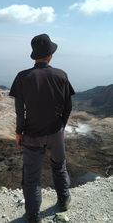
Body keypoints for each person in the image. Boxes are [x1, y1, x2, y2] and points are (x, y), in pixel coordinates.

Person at [9, 34, 75, 223]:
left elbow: (20, 111)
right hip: (56, 132)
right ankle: (63, 201)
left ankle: (33, 216)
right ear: (50, 55)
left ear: (35, 55)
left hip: (32, 135)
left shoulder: (23, 77)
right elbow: (68, 106)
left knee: (31, 178)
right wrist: (61, 125)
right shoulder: (61, 75)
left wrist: (19, 132)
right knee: (59, 166)